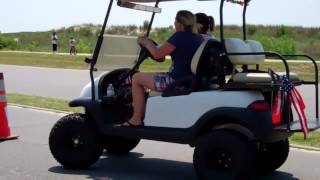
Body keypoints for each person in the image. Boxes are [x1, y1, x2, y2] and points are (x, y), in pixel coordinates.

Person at [121, 10, 202, 127]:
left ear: (180, 23)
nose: (174, 23)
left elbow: (158, 54)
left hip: (175, 81)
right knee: (148, 75)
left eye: (175, 21)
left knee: (136, 78)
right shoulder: (197, 38)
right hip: (187, 79)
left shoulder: (179, 36)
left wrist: (147, 42)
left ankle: (136, 118)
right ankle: (143, 112)